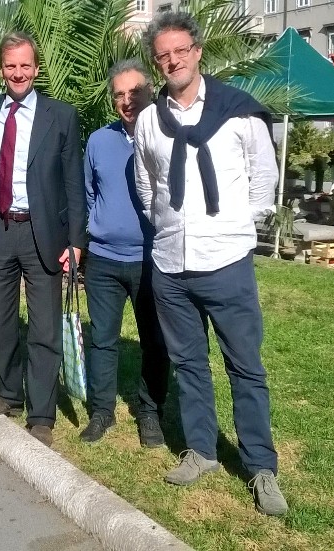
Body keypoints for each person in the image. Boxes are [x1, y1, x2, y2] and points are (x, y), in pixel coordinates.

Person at [134, 12, 287, 515]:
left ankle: (260, 466)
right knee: (189, 364)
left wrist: (237, 229)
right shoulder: (150, 120)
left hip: (227, 263)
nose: (173, 60)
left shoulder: (238, 112)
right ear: (156, 63)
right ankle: (201, 450)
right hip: (170, 265)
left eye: (181, 50)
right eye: (163, 55)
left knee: (245, 366)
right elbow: (147, 184)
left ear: (197, 52)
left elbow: (264, 177)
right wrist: (168, 227)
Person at [0, 32, 86, 447]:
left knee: (44, 327)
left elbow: (74, 183)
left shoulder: (60, 115)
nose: (18, 73)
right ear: (1, 69)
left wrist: (76, 240)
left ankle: (42, 414)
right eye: (11, 66)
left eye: (25, 65)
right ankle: (8, 393)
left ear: (36, 68)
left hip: (41, 232)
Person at [80, 60, 171, 447]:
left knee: (155, 341)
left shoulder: (167, 136)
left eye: (134, 92)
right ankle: (102, 411)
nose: (127, 100)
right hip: (103, 260)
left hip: (152, 261)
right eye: (119, 94)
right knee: (102, 339)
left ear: (150, 91)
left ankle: (149, 412)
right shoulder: (99, 141)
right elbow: (88, 194)